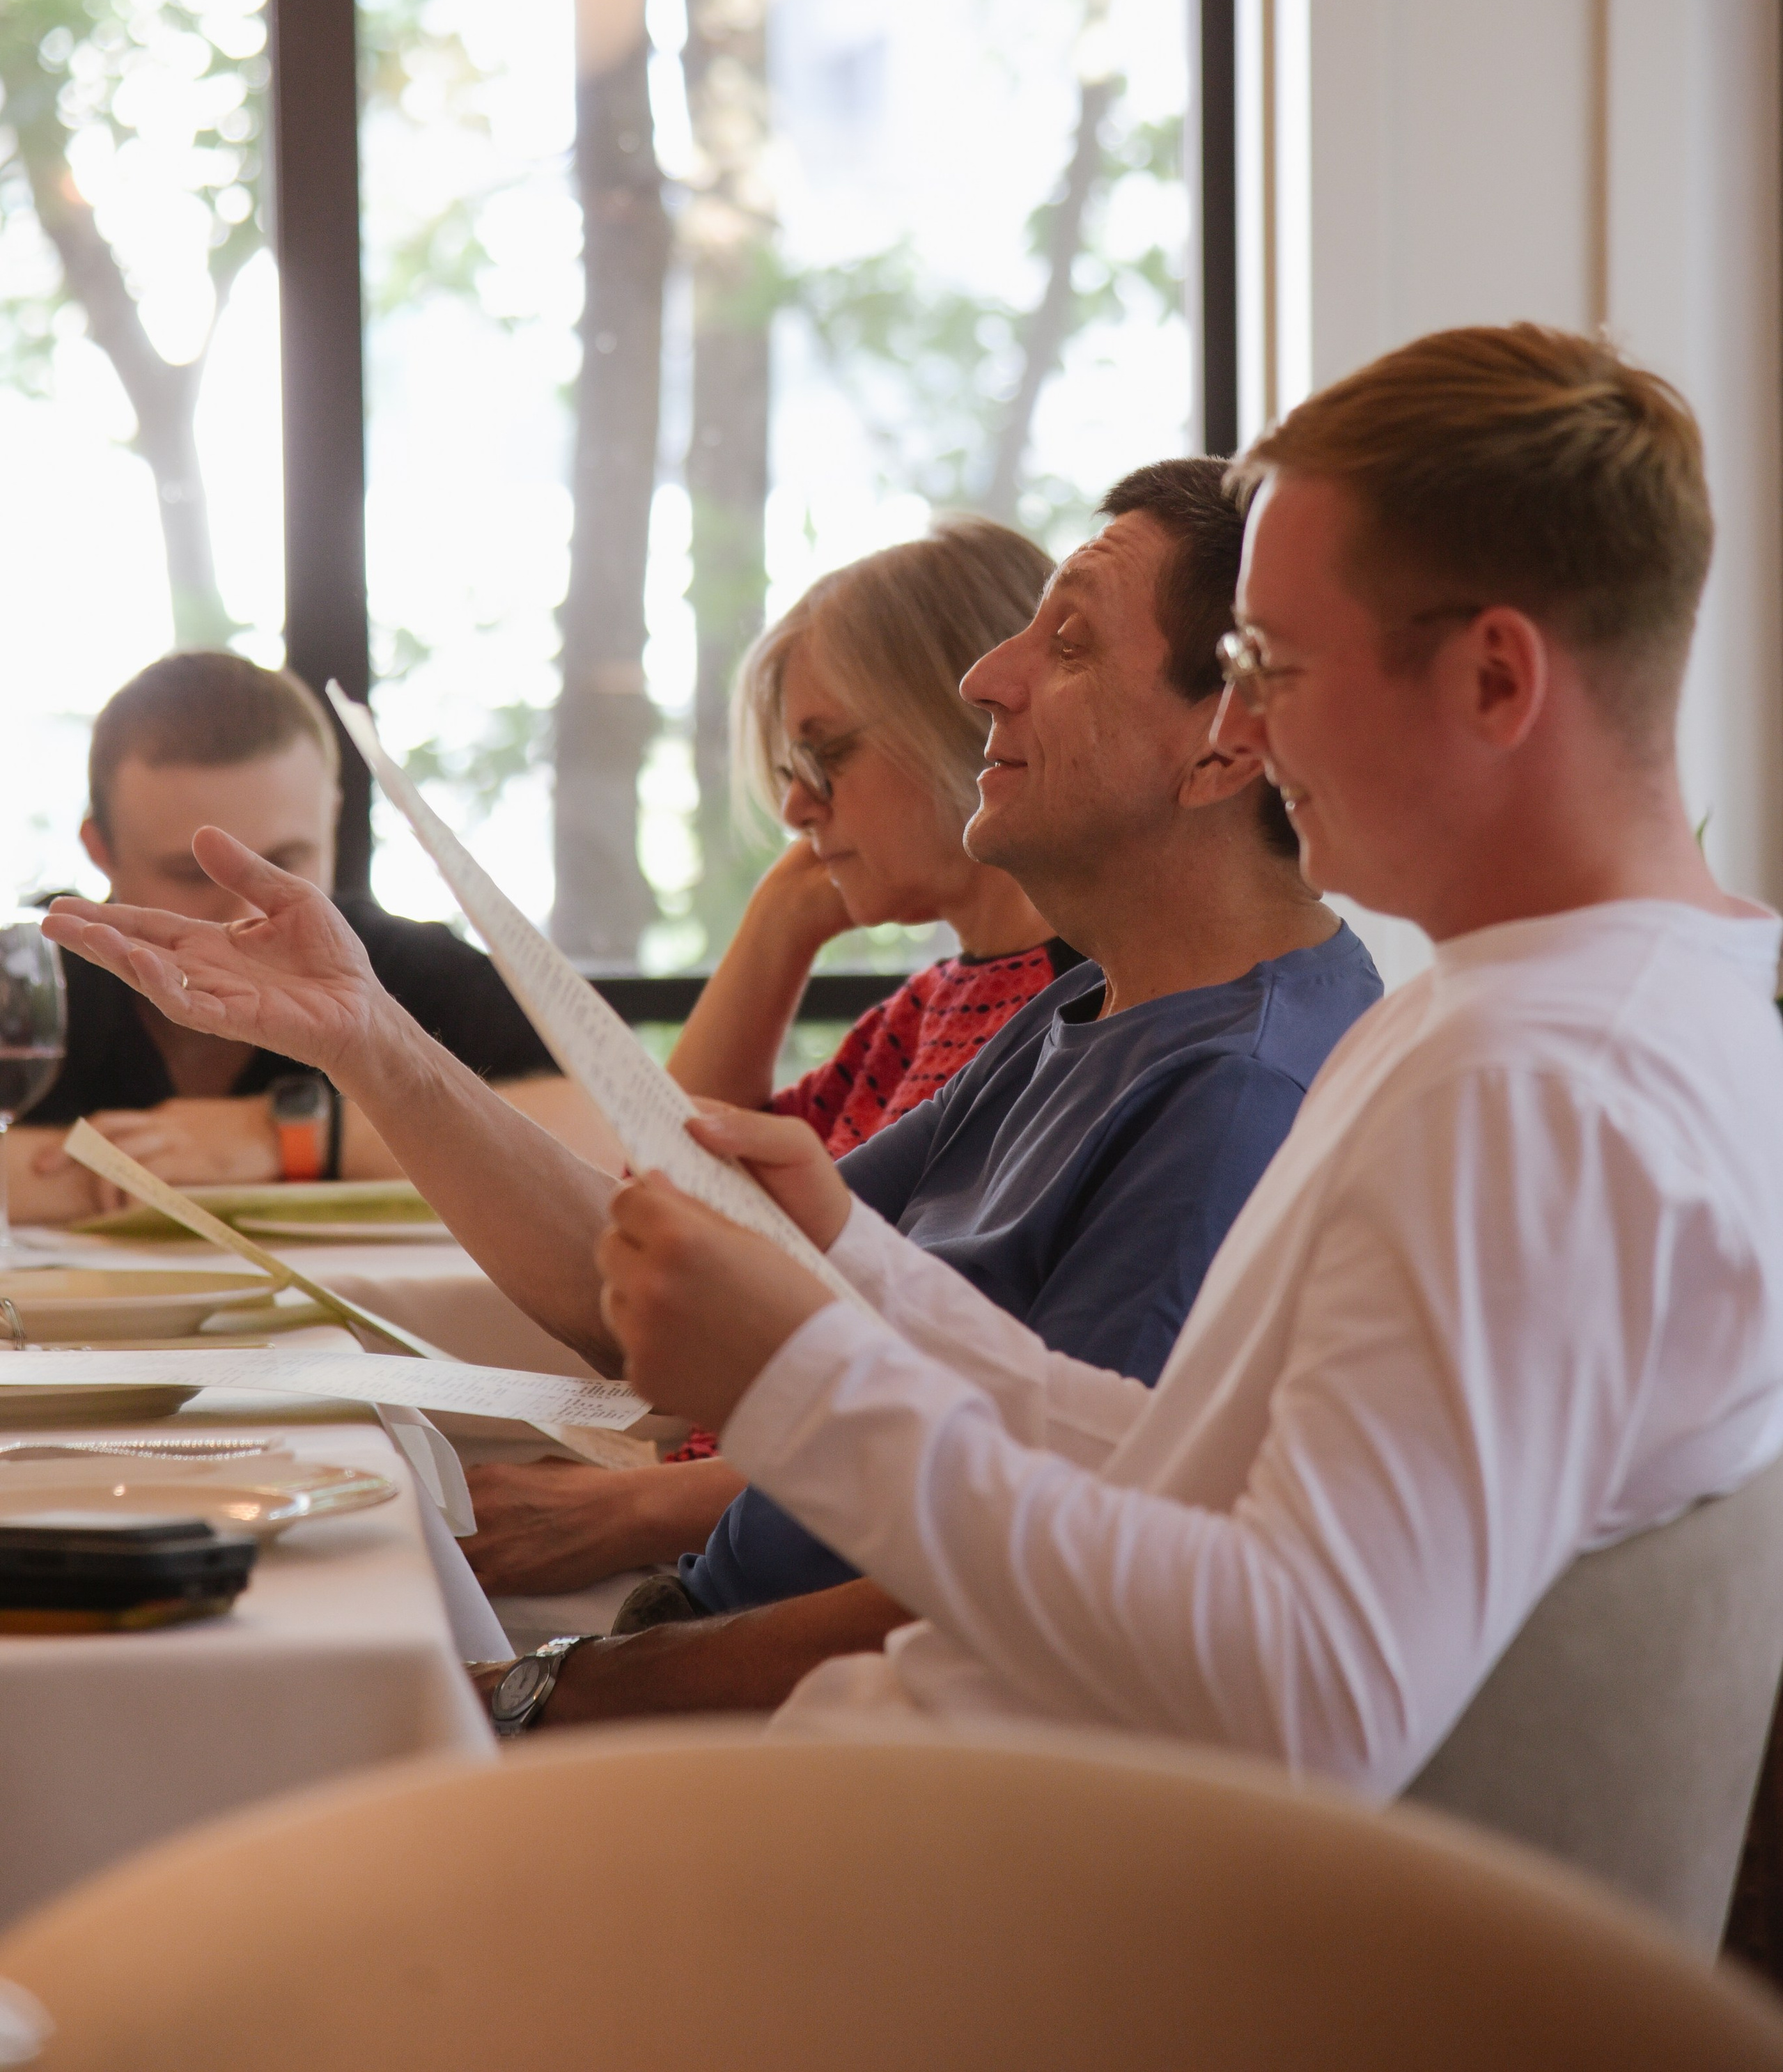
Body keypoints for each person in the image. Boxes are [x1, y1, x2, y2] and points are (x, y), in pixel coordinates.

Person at [562, 322, 1783, 1785]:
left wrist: (805, 1384)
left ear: (1493, 682)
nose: (1242, 728)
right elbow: (1185, 1457)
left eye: (1271, 664)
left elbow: (1306, 1697)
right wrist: (855, 1269)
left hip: (1024, 1865)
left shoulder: (1531, 1089)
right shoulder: (1586, 1006)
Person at [40, 454, 1381, 1689]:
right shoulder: (1092, 1008)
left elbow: (1053, 1593)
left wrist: (561, 1694)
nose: (987, 678)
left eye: (1069, 641)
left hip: (805, 1712)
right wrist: (364, 1039)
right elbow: (646, 1282)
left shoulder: (1231, 1096)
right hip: (708, 1615)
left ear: (1227, 742)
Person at [465, 517, 1072, 1594]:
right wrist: (775, 926)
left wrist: (629, 1510)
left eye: (824, 755)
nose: (796, 806)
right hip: (724, 1533)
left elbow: (974, 1428)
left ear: (970, 719)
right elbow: (675, 1200)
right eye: (791, 769)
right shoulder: (927, 1005)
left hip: (792, 1568)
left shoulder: (1074, 1019)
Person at [12, 652, 614, 1222]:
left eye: (283, 862)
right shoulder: (27, 973)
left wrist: (284, 1135)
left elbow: (612, 1136)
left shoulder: (405, 968)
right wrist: (151, 1166)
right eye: (192, 874)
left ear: (333, 818)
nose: (245, 913)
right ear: (100, 850)